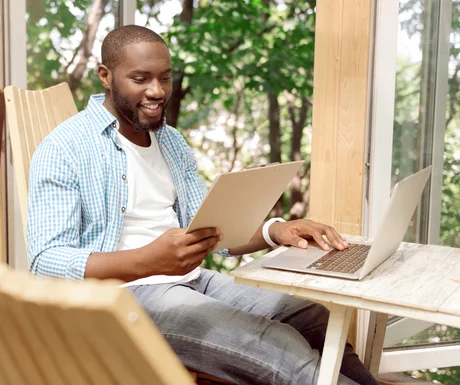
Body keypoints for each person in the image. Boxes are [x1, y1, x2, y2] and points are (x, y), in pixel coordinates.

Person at [28, 25, 379, 385]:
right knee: (279, 348)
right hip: (118, 301)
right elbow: (45, 260)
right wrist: (146, 261)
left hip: (192, 281)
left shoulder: (171, 142)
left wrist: (278, 231)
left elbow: (212, 227)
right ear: (105, 76)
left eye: (165, 78)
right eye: (140, 78)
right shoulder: (65, 147)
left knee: (312, 318)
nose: (157, 91)